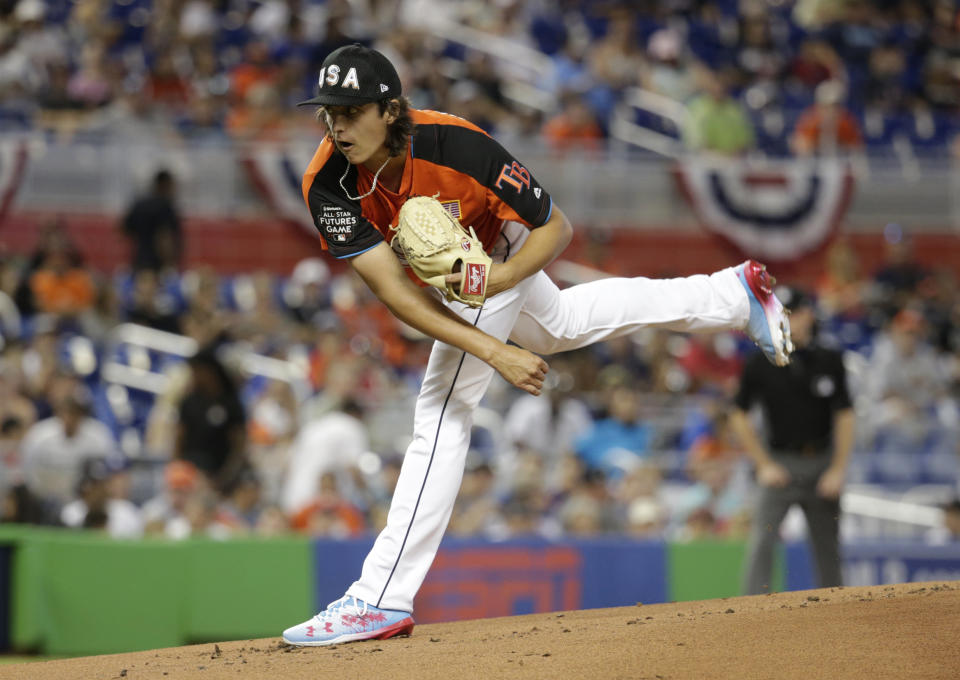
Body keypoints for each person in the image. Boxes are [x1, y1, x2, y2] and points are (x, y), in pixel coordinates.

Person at [281, 44, 793, 647]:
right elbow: (394, 291)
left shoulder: (459, 147)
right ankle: (732, 294)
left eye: (351, 109)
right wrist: (493, 348)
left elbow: (558, 228)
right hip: (461, 280)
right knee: (565, 324)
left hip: (504, 248)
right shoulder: (326, 182)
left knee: (442, 409)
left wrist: (498, 284)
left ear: (391, 110)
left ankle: (380, 597)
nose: (336, 124)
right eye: (327, 112)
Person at [729, 287, 854, 595]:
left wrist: (838, 468)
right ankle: (751, 612)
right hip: (780, 463)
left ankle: (836, 614)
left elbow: (846, 414)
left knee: (828, 546)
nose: (787, 319)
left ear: (808, 314)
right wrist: (763, 463)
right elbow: (738, 414)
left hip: (822, 462)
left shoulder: (830, 360)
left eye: (792, 312)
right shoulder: (760, 361)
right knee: (762, 540)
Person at [120, 169, 183, 273]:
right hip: (158, 264)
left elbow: (123, 228)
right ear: (164, 184)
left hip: (139, 260)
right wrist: (168, 263)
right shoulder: (165, 206)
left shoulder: (139, 204)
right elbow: (164, 236)